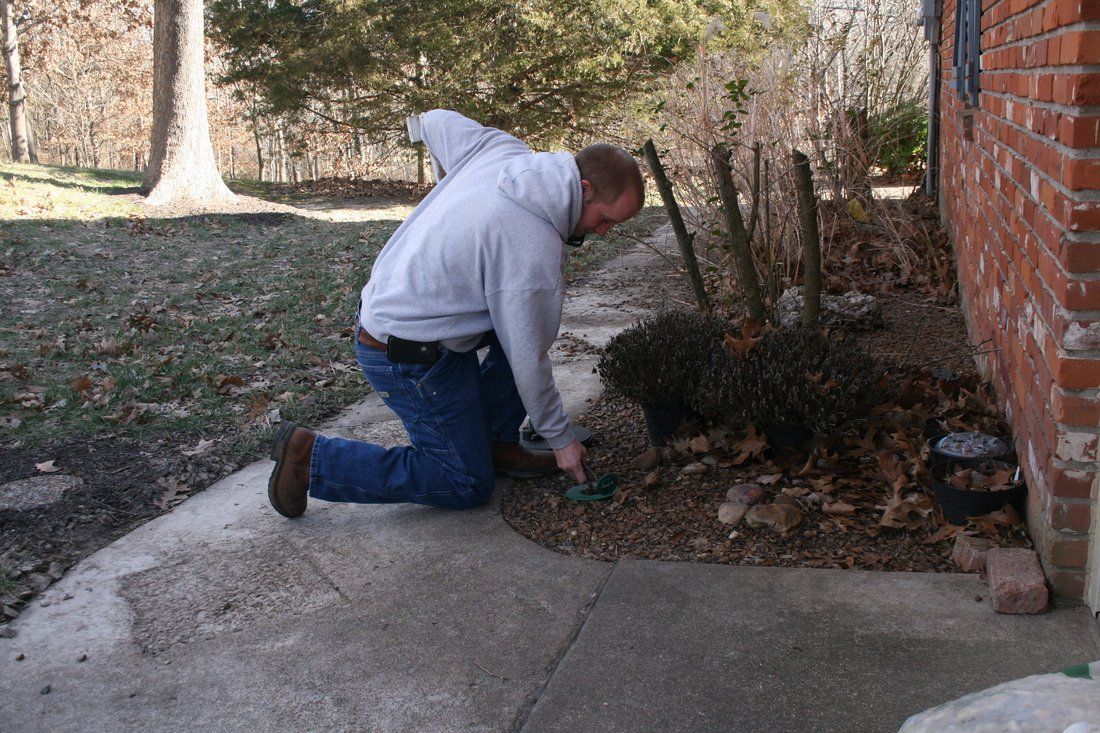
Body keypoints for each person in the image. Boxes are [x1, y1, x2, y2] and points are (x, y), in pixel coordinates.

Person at [267, 109, 644, 517]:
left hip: (393, 313)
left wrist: (419, 131)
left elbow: (438, 122)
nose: (603, 231)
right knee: (463, 481)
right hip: (407, 357)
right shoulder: (532, 247)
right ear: (584, 189)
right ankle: (312, 459)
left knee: (518, 326)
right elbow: (528, 360)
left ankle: (496, 443)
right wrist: (560, 440)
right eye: (605, 219)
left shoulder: (505, 152)